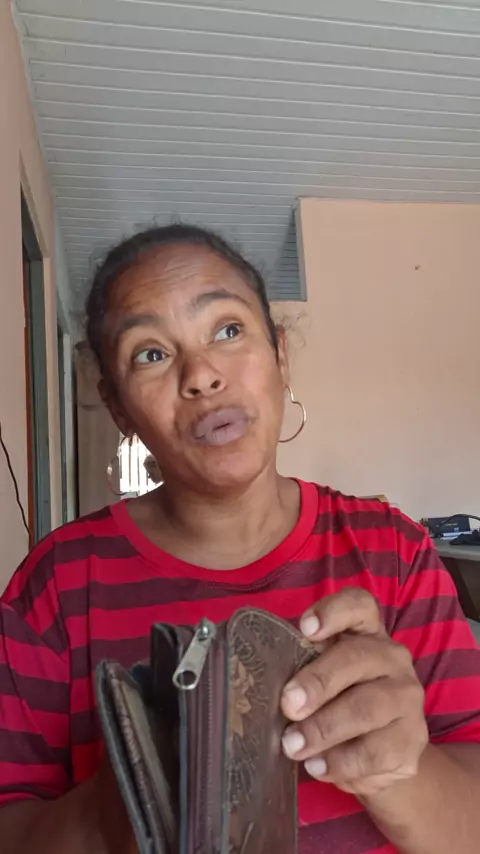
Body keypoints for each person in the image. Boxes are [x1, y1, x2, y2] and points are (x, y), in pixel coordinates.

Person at [0, 223, 479, 854]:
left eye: (227, 330)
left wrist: (396, 773)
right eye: (151, 353)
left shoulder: (396, 554)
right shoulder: (56, 585)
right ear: (117, 408)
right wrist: (123, 806)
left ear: (279, 356)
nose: (201, 375)